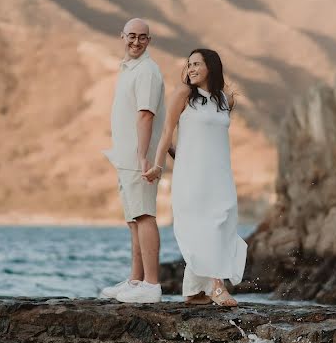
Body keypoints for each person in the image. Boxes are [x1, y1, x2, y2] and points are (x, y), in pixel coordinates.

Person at [143, 48, 245, 307]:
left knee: (224, 221)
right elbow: (167, 131)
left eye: (197, 64)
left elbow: (208, 138)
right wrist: (158, 165)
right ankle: (216, 286)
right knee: (205, 226)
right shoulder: (184, 94)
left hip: (220, 174)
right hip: (193, 175)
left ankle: (192, 292)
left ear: (211, 66)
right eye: (189, 64)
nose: (191, 69)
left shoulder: (225, 100)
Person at [99, 18, 166, 303]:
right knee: (133, 220)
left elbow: (146, 114)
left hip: (138, 158)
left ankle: (152, 285)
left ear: (149, 40)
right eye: (131, 36)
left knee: (144, 215)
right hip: (125, 156)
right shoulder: (128, 69)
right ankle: (136, 280)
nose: (136, 42)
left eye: (142, 37)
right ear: (122, 36)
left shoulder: (147, 71)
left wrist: (142, 156)